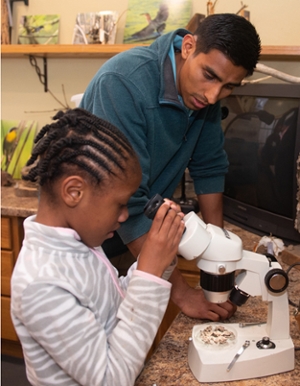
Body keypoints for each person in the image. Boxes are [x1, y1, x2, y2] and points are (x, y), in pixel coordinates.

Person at [81, 13, 261, 321]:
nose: (213, 95)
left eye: (229, 86)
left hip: (134, 237)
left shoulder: (204, 94)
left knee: (133, 352)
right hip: (86, 243)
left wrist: (218, 254)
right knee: (96, 359)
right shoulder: (123, 83)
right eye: (210, 76)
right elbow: (131, 203)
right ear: (188, 46)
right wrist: (183, 294)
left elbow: (210, 167)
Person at [10, 108, 185, 386]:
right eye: (120, 203)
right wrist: (150, 274)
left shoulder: (80, 244)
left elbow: (116, 307)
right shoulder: (41, 285)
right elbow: (109, 379)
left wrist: (159, 258)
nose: (125, 215)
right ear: (74, 192)